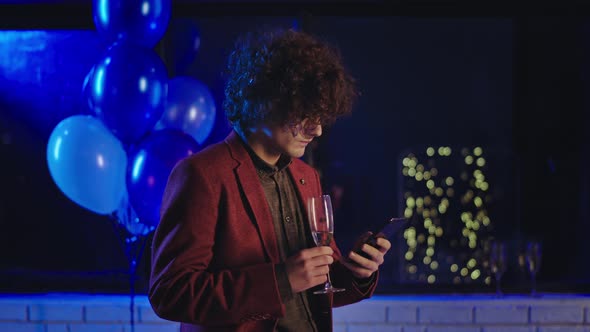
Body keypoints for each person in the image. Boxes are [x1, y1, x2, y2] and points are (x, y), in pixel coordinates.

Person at [148, 26, 392, 332]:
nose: (316, 131)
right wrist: (281, 280)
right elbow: (170, 293)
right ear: (265, 100)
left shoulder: (307, 177)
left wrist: (357, 274)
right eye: (305, 114)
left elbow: (315, 289)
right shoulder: (201, 175)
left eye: (320, 117)